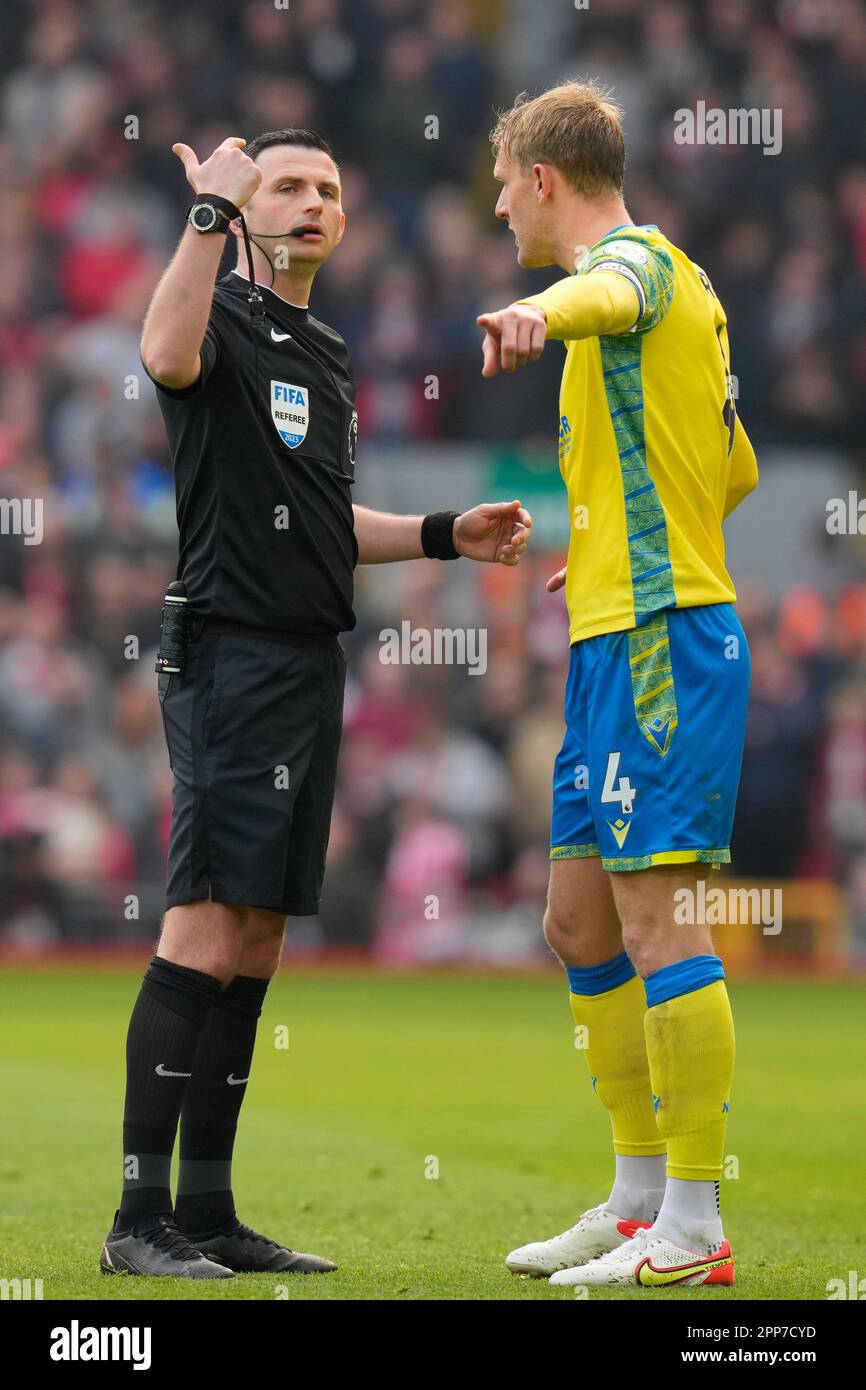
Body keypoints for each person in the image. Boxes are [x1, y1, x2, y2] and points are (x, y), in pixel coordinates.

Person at [100, 128, 532, 1279]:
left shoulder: (326, 351)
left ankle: (207, 1212)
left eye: (327, 190)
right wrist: (205, 214)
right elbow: (162, 349)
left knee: (255, 940)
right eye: (287, 186)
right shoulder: (219, 311)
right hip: (230, 653)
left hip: (304, 656)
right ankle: (135, 1223)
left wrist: (447, 534)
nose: (310, 203)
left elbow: (329, 524)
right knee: (200, 923)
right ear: (247, 208)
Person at [476, 83, 757, 1289]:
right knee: (577, 922)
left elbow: (609, 289)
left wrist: (541, 307)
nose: (495, 205)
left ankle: (695, 1224)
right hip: (615, 627)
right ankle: (637, 1196)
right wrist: (607, 550)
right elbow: (731, 467)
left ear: (544, 177)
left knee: (657, 921)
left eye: (503, 183)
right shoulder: (690, 295)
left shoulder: (638, 269)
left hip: (662, 642)